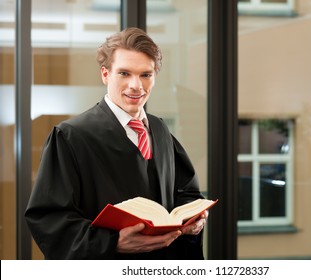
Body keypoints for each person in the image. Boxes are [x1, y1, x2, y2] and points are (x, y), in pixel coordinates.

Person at [25, 27, 208, 260]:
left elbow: (186, 191)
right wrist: (112, 243)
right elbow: (49, 218)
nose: (136, 86)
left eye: (146, 74)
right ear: (105, 74)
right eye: (124, 73)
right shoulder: (70, 137)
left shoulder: (160, 130)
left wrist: (192, 218)